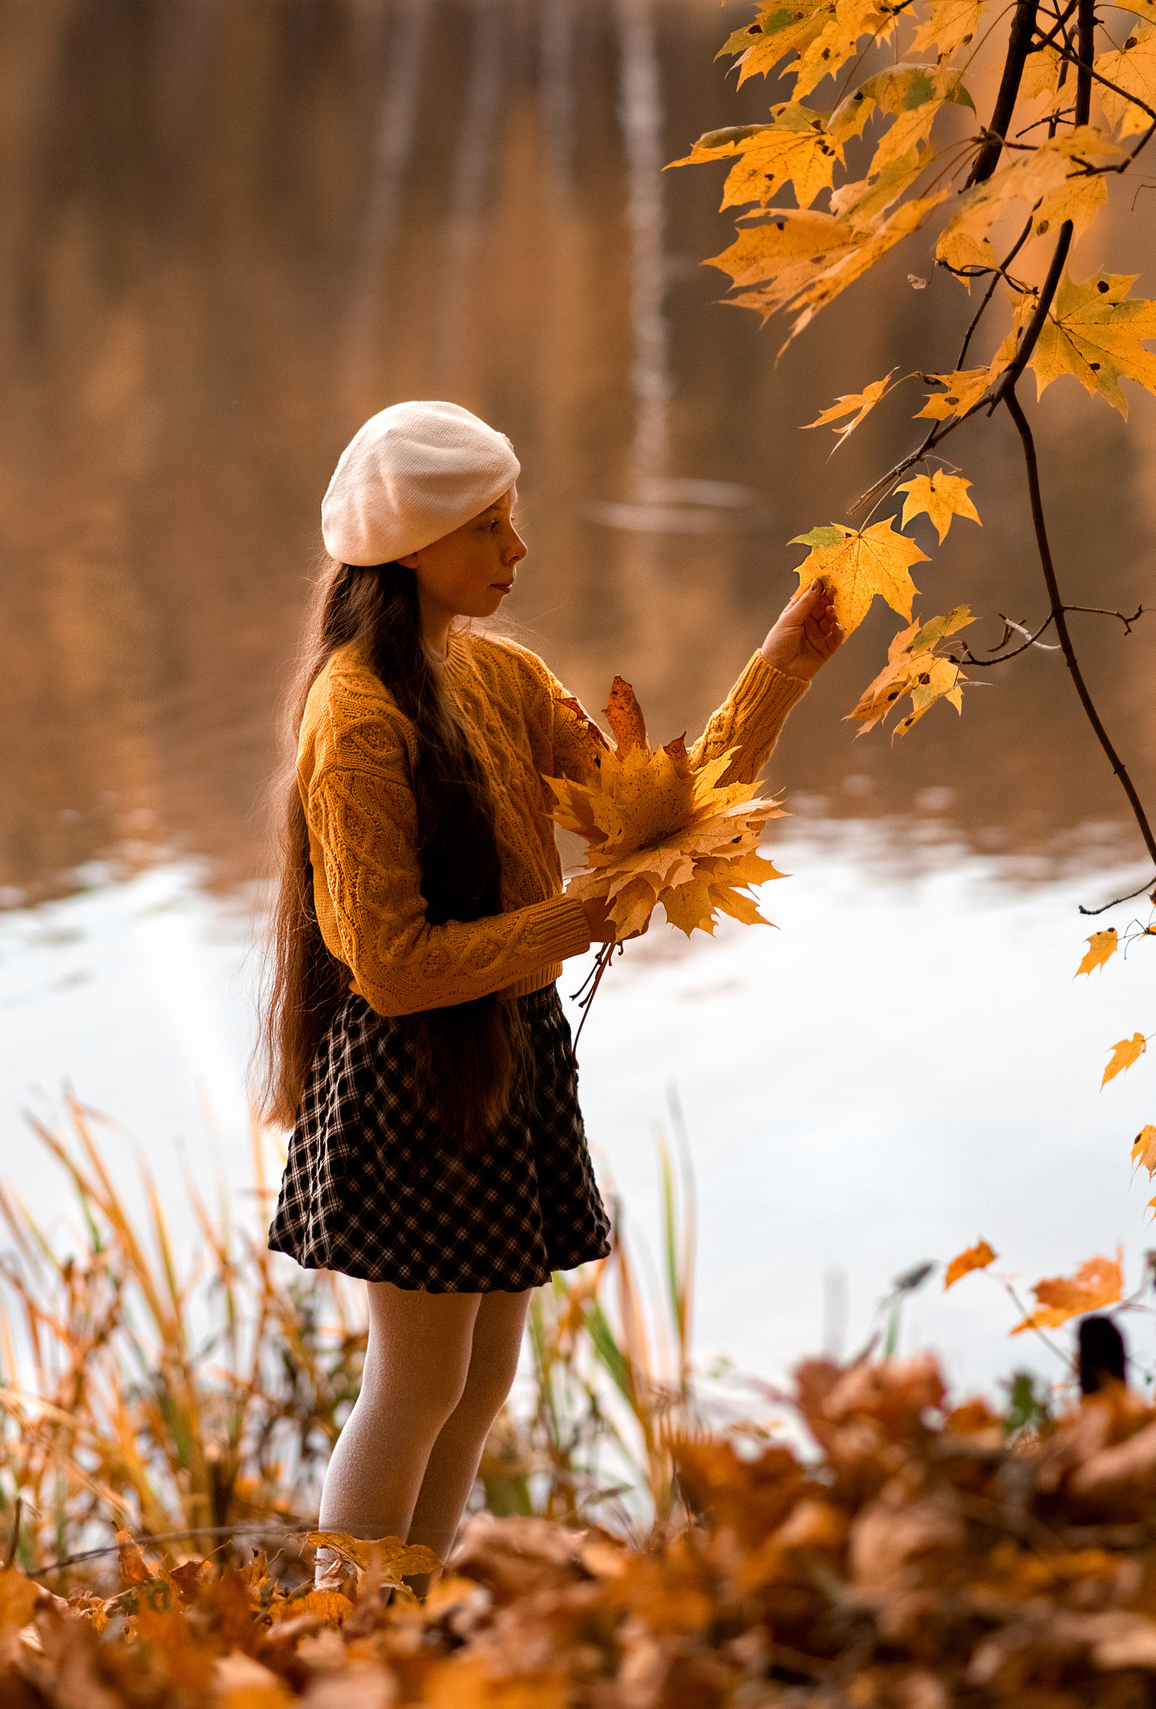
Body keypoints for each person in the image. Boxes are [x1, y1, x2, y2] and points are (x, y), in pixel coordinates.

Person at [259, 400, 846, 1585]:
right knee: (415, 1380)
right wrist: (577, 919)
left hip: (509, 1047)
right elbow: (390, 963)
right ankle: (343, 1630)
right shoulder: (357, 718)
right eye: (491, 529)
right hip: (411, 1075)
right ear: (411, 545)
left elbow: (656, 812)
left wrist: (779, 666)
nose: (516, 553)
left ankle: (402, 1617)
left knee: (478, 1382)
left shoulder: (501, 672)